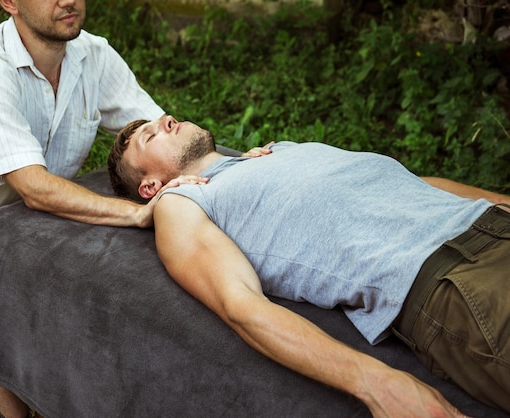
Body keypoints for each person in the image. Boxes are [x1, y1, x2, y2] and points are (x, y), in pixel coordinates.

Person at [0, 1, 214, 417]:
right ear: (10, 3)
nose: (68, 0)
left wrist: (223, 164)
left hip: (42, 218)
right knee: (27, 272)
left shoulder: (94, 55)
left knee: (117, 279)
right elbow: (33, 188)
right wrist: (136, 213)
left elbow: (160, 130)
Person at [107, 114, 510, 417]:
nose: (167, 120)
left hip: (492, 225)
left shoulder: (277, 151)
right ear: (150, 187)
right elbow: (242, 307)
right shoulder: (183, 206)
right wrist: (379, 385)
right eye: (151, 135)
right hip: (453, 280)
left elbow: (411, 182)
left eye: (163, 120)